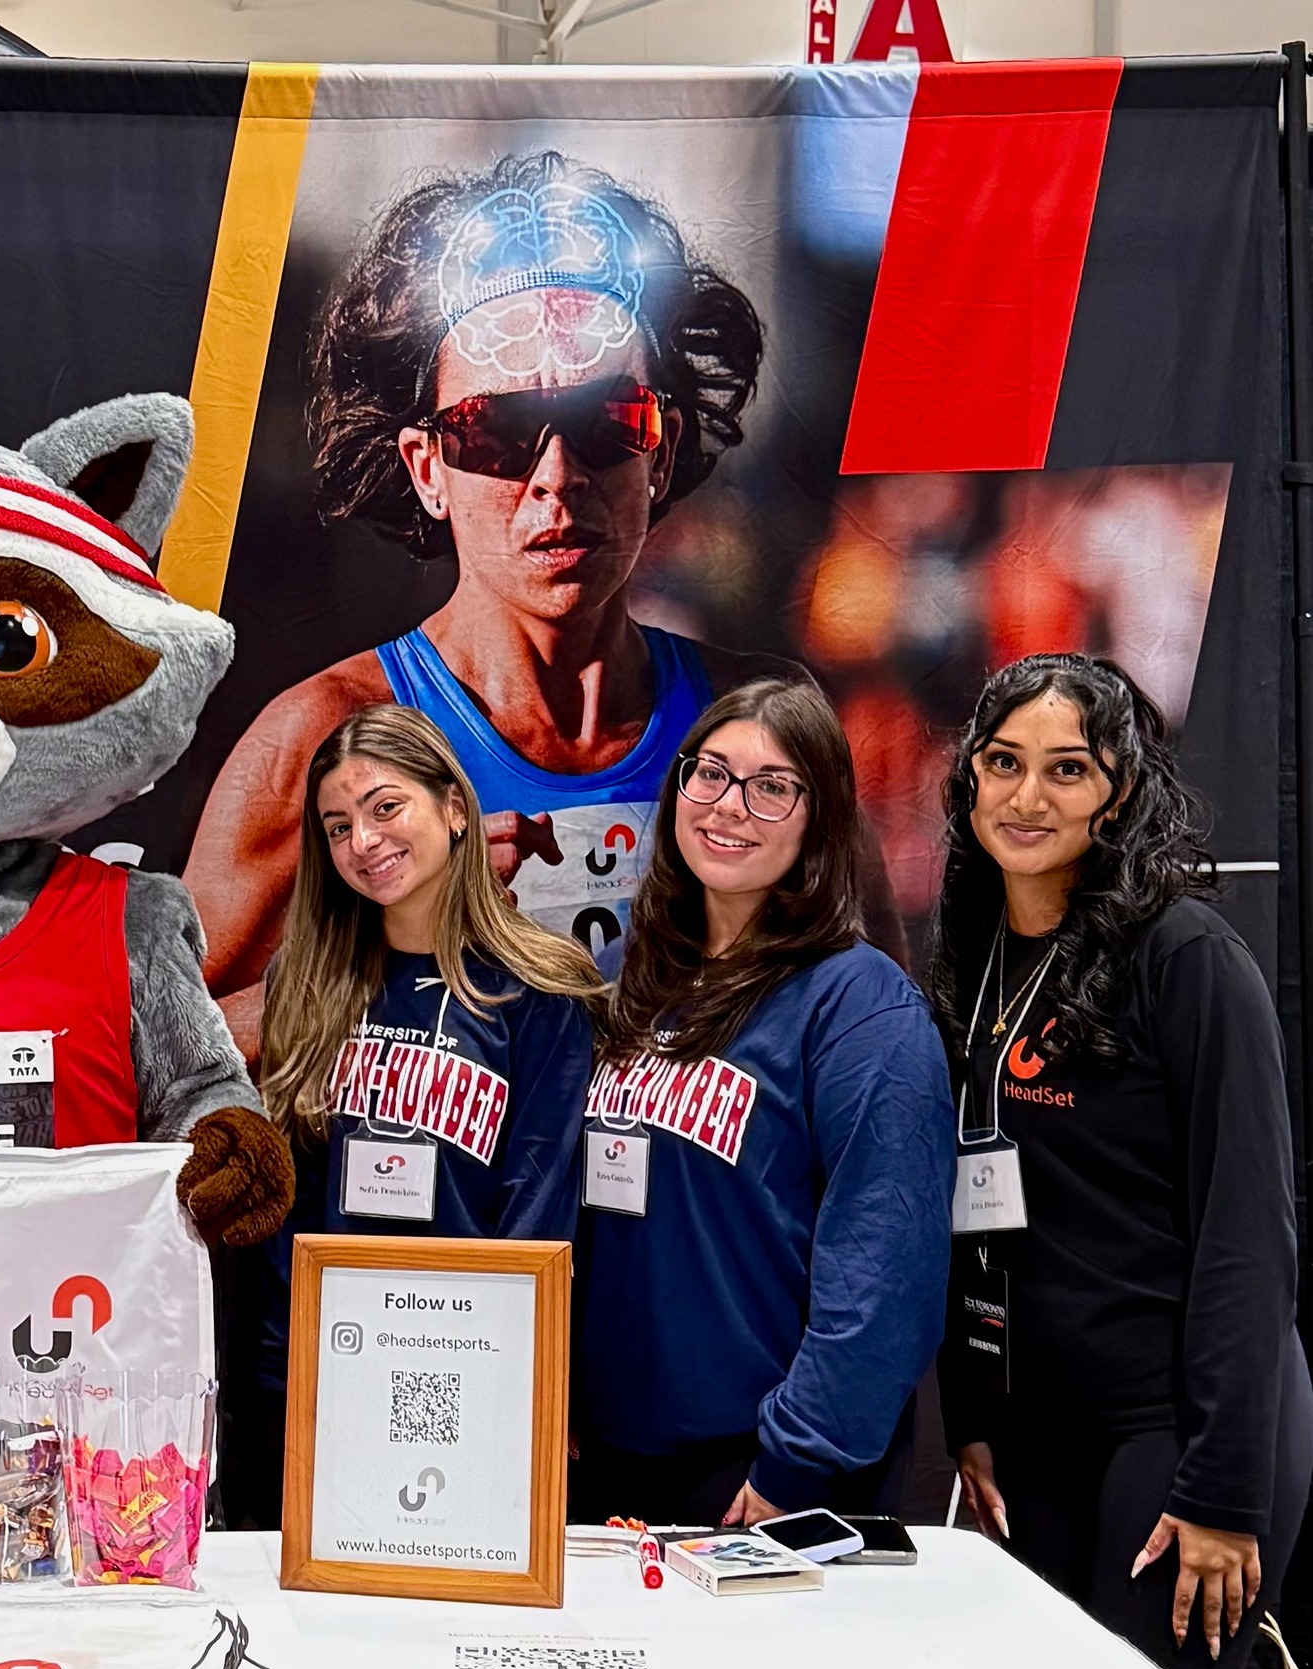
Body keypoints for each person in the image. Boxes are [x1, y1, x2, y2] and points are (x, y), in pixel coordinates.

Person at [187, 150, 770, 1059]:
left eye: (609, 421)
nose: (556, 479)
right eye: (492, 434)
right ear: (427, 469)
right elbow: (165, 1065)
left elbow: (871, 1044)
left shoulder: (758, 730)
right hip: (424, 1203)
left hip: (686, 1204)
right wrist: (382, 961)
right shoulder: (319, 743)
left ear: (660, 454)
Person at [932, 654, 1309, 1669]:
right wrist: (970, 1409)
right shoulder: (971, 951)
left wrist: (1224, 1486)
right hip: (1033, 1429)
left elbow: (1247, 1233)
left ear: (1120, 791)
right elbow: (968, 1208)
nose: (1023, 796)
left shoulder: (1184, 955)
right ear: (966, 777)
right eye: (1001, 763)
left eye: (1065, 769)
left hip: (1177, 1426)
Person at [573, 678, 953, 1527]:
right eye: (709, 774)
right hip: (609, 1464)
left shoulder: (860, 1006)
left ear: (819, 818)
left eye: (771, 787)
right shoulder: (624, 984)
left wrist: (796, 1461)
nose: (728, 807)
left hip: (761, 1477)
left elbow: (884, 1269)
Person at [260, 703, 597, 1245]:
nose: (364, 842)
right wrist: (285, 1331)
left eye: (386, 807)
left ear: (455, 809)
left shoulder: (540, 986)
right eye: (340, 827)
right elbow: (292, 1205)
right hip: (338, 1322)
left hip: (473, 1323)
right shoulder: (305, 977)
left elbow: (538, 1208)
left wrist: (490, 1326)